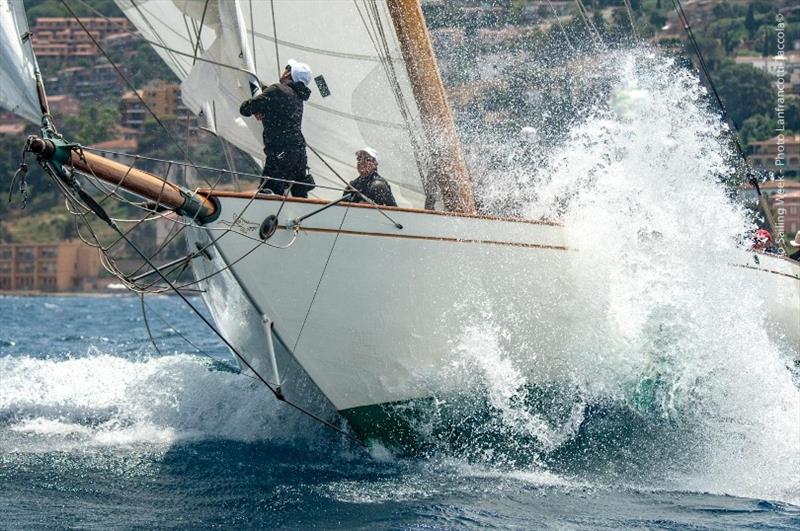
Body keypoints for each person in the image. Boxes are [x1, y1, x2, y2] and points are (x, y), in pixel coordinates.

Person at [240, 59, 314, 197]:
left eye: (287, 68)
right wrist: (264, 105)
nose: (284, 70)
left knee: (269, 193)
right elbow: (277, 104)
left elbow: (245, 108)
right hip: (299, 153)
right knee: (300, 196)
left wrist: (258, 106)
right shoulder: (298, 96)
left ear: (289, 74)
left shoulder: (278, 90)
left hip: (281, 151)